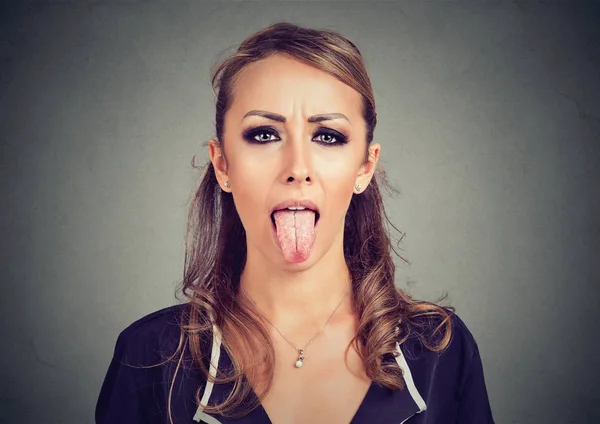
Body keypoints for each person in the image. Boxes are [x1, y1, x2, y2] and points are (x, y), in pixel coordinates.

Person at [95, 22, 495, 424]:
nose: (297, 168)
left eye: (327, 137)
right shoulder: (150, 356)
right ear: (222, 164)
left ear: (365, 167)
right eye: (265, 134)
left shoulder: (441, 350)